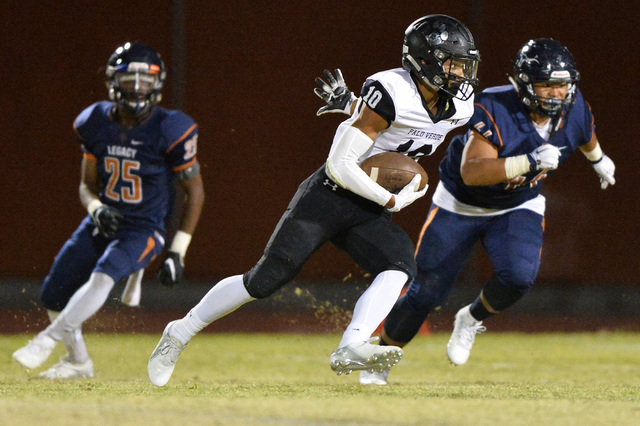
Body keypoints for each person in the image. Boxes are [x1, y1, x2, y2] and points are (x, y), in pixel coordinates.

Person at [146, 14, 481, 387]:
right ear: (425, 61)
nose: (461, 73)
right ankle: (178, 331)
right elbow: (340, 165)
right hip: (330, 193)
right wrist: (389, 198)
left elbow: (397, 131)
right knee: (263, 281)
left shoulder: (459, 109)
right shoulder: (391, 91)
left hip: (367, 204)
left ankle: (351, 346)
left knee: (400, 265)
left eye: (464, 64)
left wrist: (351, 104)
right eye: (452, 63)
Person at [359, 38, 616, 385]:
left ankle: (470, 318)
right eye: (547, 84)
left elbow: (585, 132)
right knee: (426, 293)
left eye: (562, 85)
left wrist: (598, 159)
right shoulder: (496, 107)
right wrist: (528, 161)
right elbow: (473, 171)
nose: (556, 93)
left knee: (519, 278)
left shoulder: (574, 108)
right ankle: (379, 360)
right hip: (460, 205)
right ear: (524, 84)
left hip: (517, 204)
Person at [12, 41, 205, 379]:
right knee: (53, 294)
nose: (138, 87)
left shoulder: (170, 128)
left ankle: (46, 340)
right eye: (130, 78)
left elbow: (196, 192)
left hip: (144, 228)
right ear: (114, 81)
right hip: (104, 221)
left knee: (104, 275)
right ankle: (77, 362)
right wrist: (96, 207)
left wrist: (177, 252)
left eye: (147, 80)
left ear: (159, 84)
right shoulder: (94, 121)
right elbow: (86, 185)